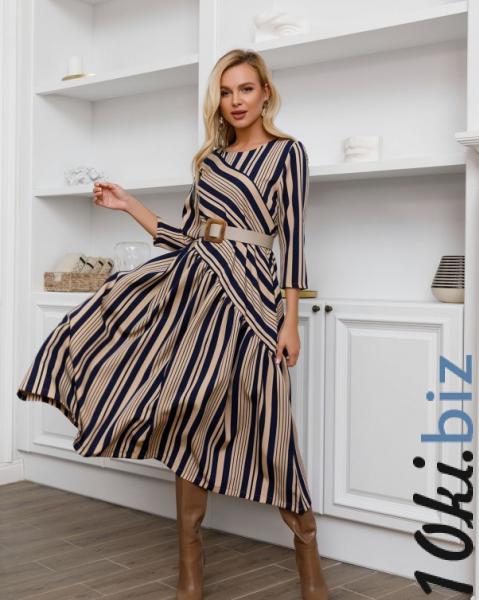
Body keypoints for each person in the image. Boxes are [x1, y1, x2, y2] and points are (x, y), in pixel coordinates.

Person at [16, 48, 329, 600]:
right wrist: (128, 204)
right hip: (194, 296)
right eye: (226, 92)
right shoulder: (209, 162)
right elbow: (186, 237)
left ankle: (308, 559)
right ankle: (191, 568)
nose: (236, 101)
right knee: (185, 419)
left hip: (252, 300)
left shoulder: (288, 154)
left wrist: (290, 322)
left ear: (265, 94)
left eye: (246, 89)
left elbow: (295, 243)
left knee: (271, 427)